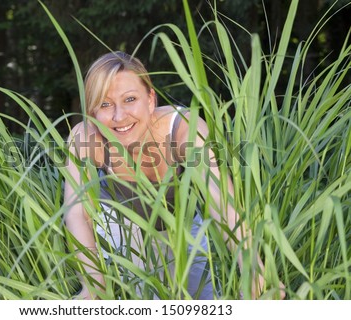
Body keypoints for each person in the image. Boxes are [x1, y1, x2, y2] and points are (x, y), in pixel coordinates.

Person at [64, 51, 283, 299]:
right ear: (93, 112)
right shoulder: (85, 137)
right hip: (120, 222)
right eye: (105, 104)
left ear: (150, 99)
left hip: (181, 220)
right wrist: (93, 284)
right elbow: (76, 212)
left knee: (202, 299)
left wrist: (253, 269)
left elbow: (221, 201)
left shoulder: (183, 128)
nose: (118, 116)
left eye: (130, 99)